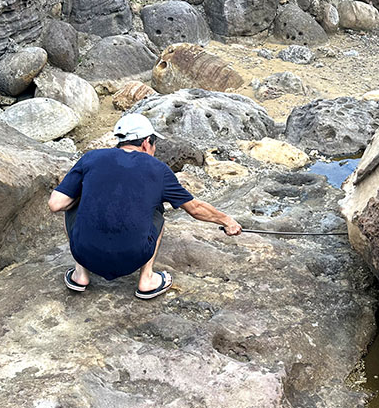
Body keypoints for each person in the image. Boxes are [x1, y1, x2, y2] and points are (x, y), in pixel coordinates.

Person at [48, 114, 243, 299]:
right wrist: (227, 221)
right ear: (146, 143)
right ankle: (146, 280)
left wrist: (84, 195)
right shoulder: (158, 169)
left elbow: (56, 204)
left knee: (74, 203)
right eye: (154, 144)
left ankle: (80, 274)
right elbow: (194, 208)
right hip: (132, 258)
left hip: (85, 253)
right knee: (157, 209)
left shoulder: (91, 158)